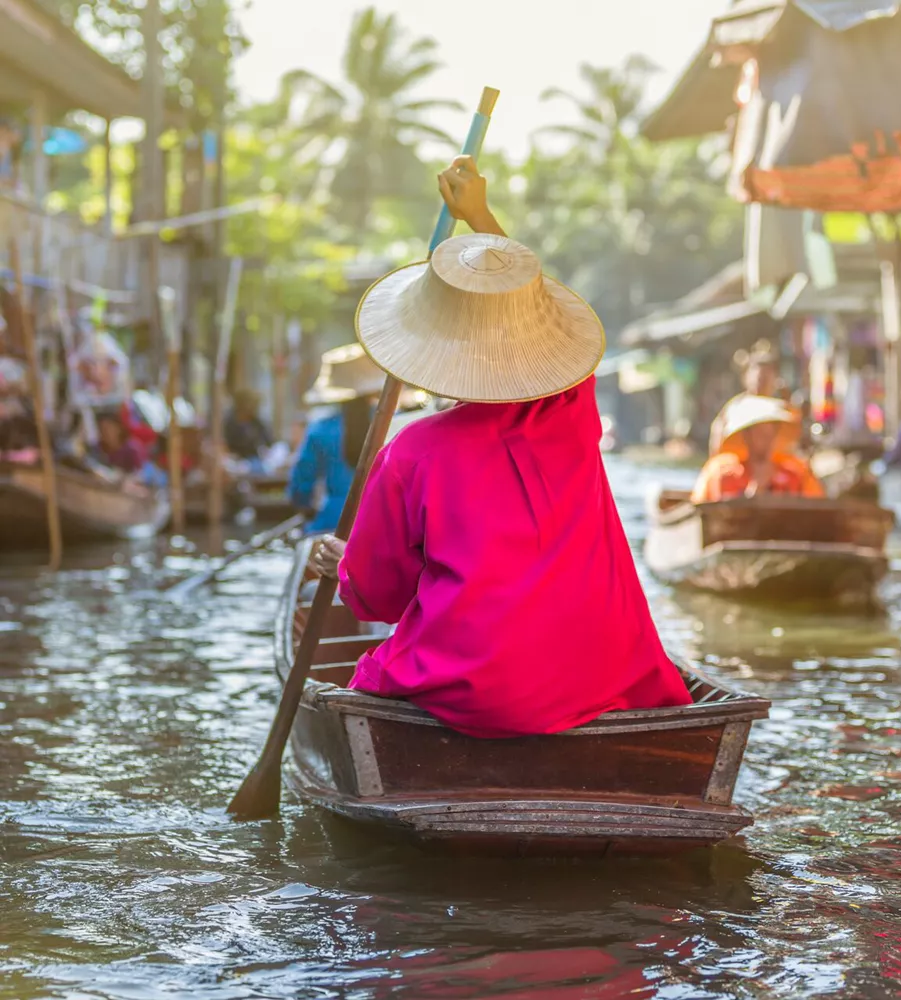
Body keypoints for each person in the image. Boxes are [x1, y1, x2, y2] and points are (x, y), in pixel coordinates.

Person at [311, 155, 692, 740]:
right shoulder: (571, 415)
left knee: (371, 676)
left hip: (477, 692)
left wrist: (344, 562)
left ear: (434, 350)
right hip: (607, 679)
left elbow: (376, 600)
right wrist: (481, 217)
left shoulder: (412, 452)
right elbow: (531, 314)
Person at [691, 395, 825, 504]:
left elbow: (816, 510)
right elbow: (718, 516)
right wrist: (755, 491)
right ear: (746, 435)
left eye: (770, 431)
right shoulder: (723, 474)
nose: (765, 438)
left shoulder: (795, 473)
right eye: (759, 432)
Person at [289, 393, 371, 533]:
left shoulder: (322, 429)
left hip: (334, 520)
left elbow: (302, 482)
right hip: (380, 522)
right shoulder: (394, 424)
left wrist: (306, 507)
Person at [708, 341, 801, 456]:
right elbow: (717, 444)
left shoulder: (783, 408)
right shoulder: (734, 407)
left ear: (775, 377)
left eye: (767, 373)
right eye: (756, 372)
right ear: (745, 377)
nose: (761, 378)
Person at [223, 389, 272, 470]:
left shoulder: (257, 423)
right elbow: (224, 445)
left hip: (254, 462)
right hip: (234, 462)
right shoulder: (229, 423)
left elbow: (268, 442)